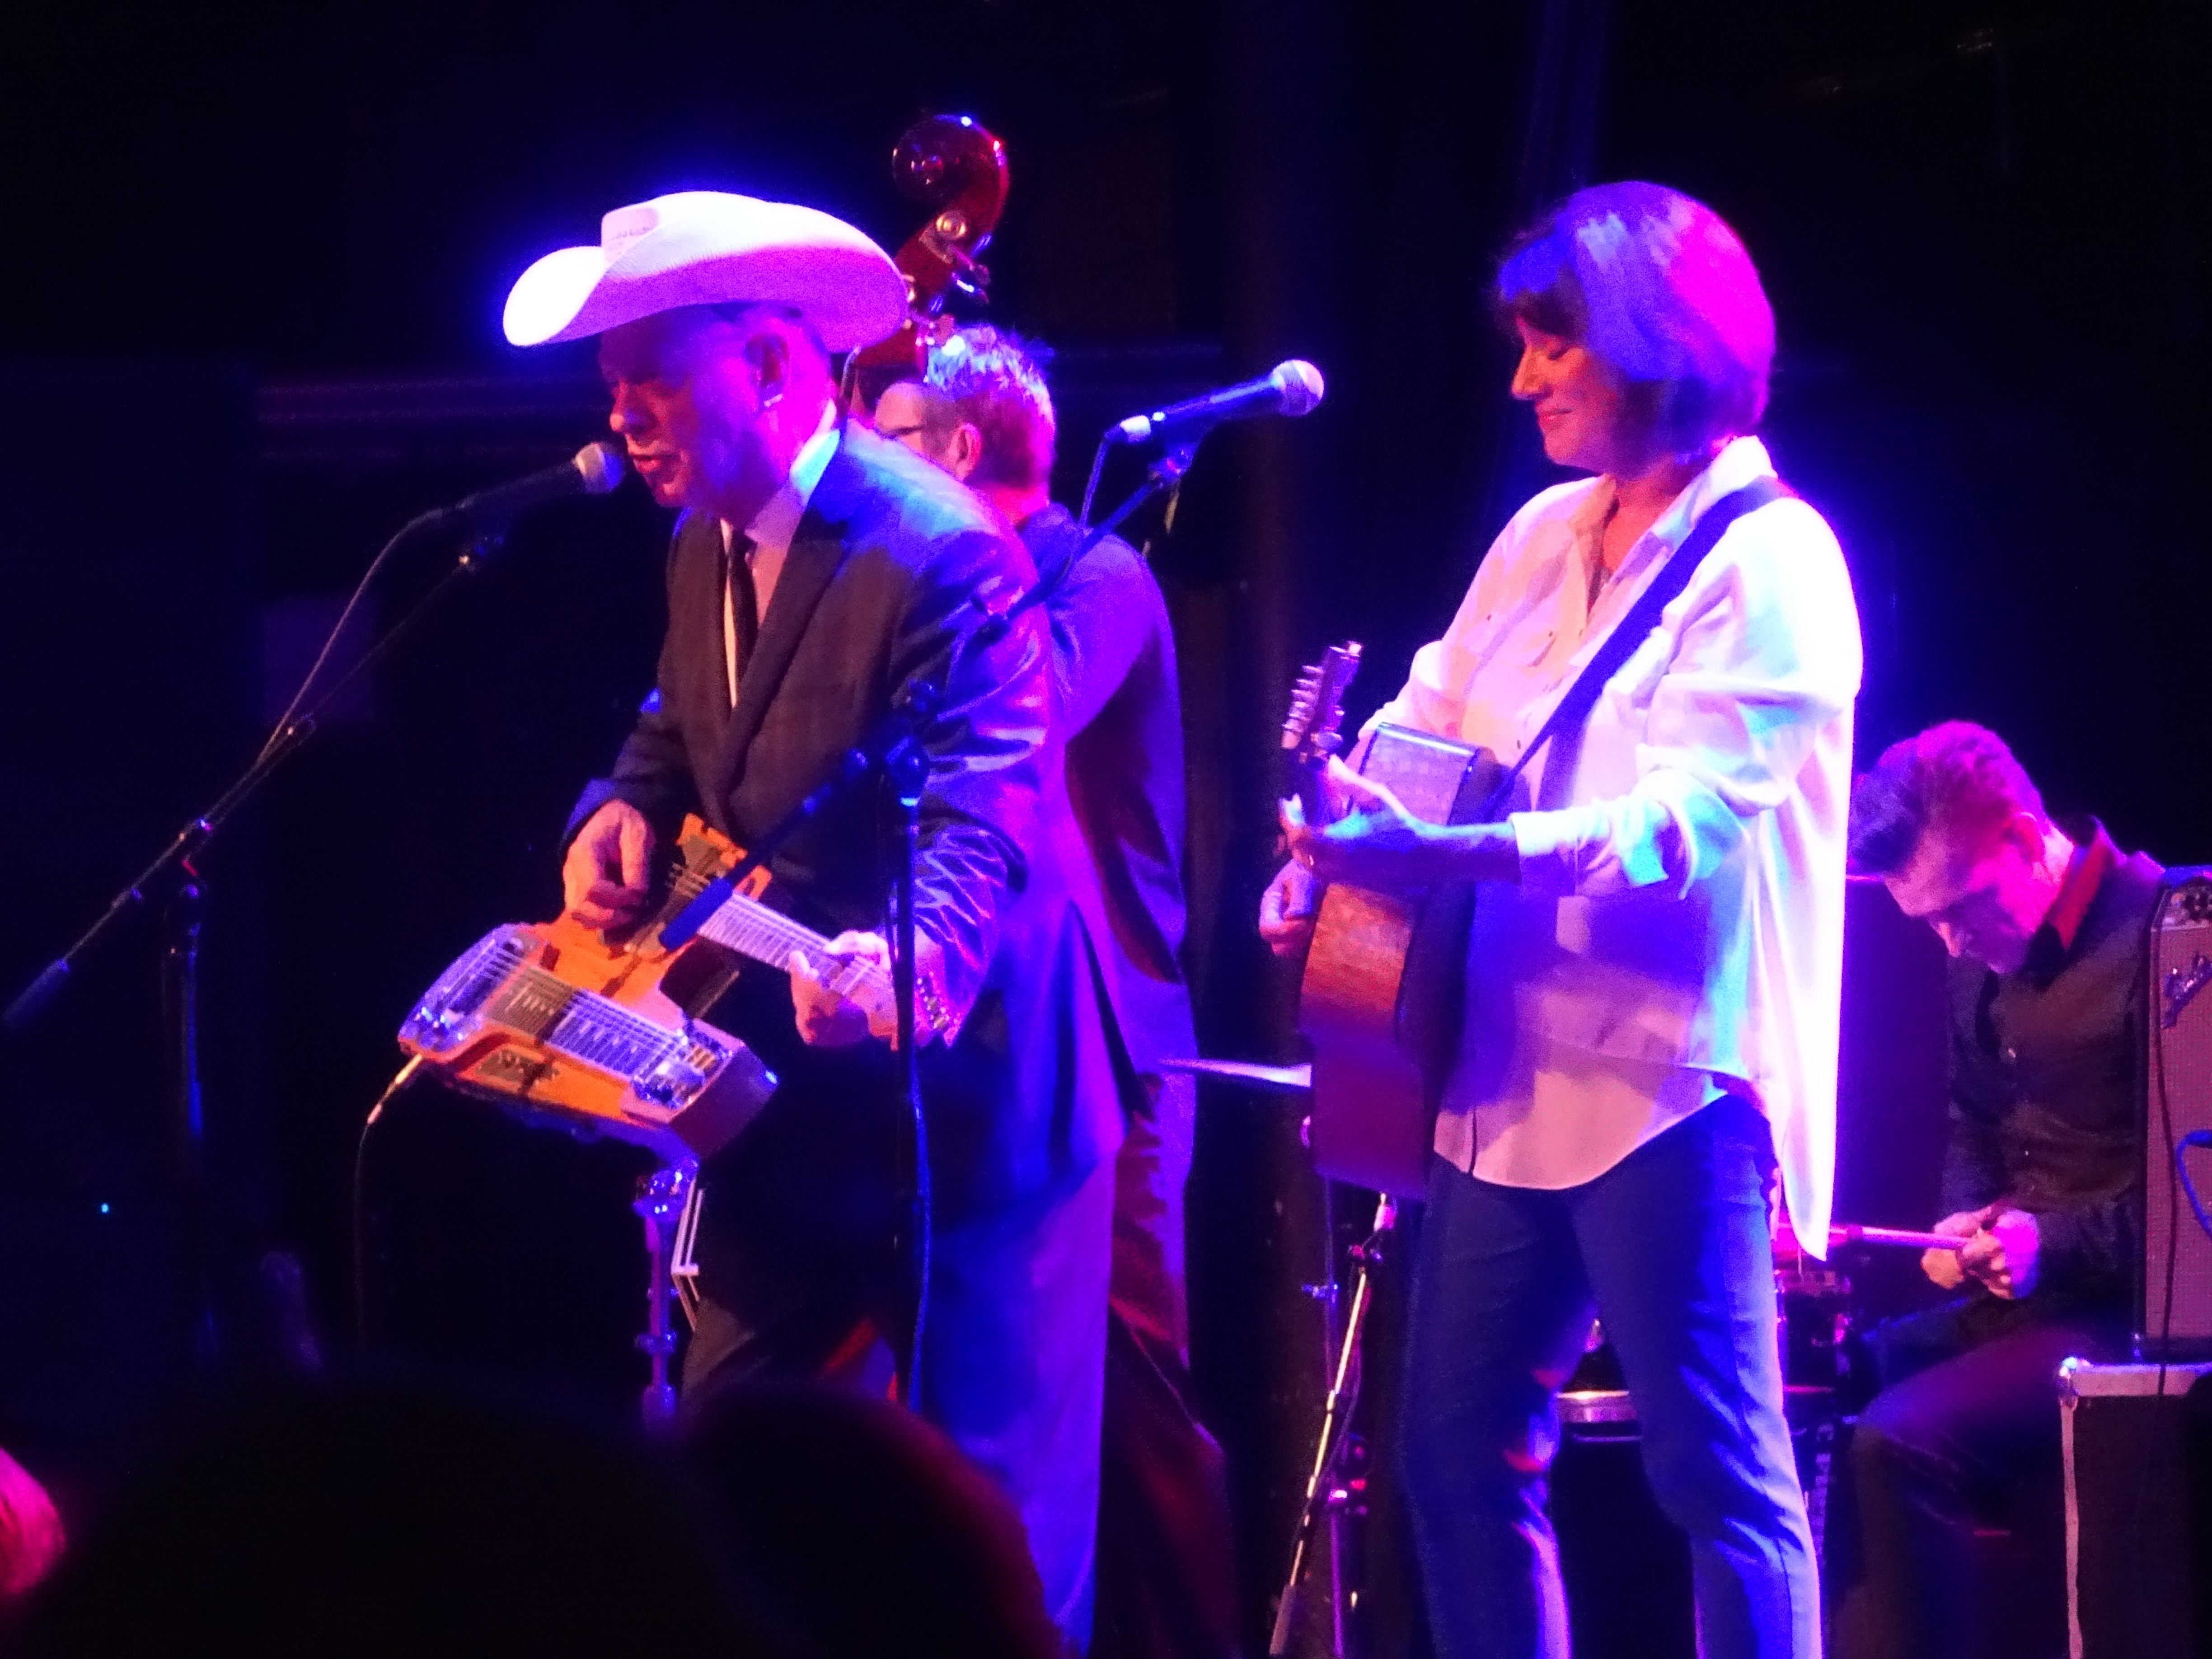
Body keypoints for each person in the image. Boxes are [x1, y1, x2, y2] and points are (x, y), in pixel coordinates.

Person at [501, 190, 1122, 1646]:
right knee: (729, 1480)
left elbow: (983, 809)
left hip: (968, 1113)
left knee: (991, 1527)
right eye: (613, 384)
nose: (623, 415)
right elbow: (680, 724)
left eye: (654, 378)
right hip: (785, 1100)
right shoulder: (697, 540)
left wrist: (915, 964)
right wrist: (619, 807)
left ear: (774, 366)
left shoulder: (941, 550)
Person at [1268, 181, 1862, 1659]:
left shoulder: (1774, 560)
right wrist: (1331, 850)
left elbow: (1685, 828)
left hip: (1667, 1082)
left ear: (1657, 345)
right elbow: (1426, 713)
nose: (1523, 379)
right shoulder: (1541, 532)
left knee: (1716, 1476)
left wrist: (1450, 855)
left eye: (1554, 347)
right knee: (1452, 1457)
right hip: (1503, 1075)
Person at [875, 328, 1239, 1659]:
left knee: (1129, 1386)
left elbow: (1025, 714)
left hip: (1120, 1048)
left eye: (890, 444)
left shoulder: (1100, 575)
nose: (866, 474)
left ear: (961, 449)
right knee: (1015, 1392)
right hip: (1017, 1044)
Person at [1830, 721, 2159, 1659]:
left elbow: (2197, 1207)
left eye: (1961, 911)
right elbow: (1973, 1118)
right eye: (1928, 923)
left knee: (1899, 1440)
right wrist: (1962, 1216)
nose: (1950, 943)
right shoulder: (1975, 953)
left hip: (2129, 1314)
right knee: (1821, 1393)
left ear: (2020, 838)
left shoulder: (2169, 935)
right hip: (2031, 1302)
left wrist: (2052, 1244)